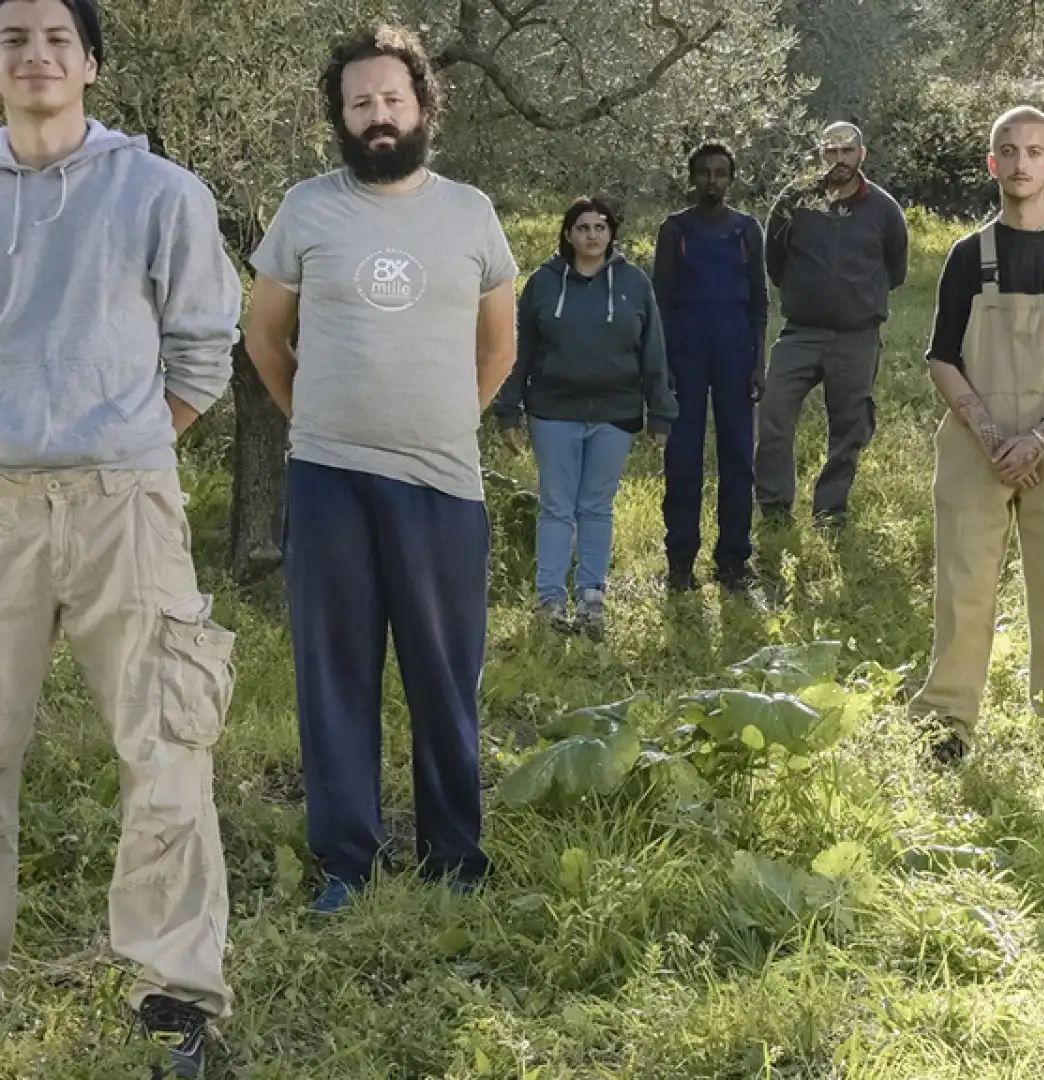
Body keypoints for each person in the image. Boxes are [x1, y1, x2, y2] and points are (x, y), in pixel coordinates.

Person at [0, 0, 242, 1071]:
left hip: (123, 506)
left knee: (165, 747)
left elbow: (203, 350)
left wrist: (126, 444)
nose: (34, 54)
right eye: (10, 37)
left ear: (91, 62)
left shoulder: (159, 193)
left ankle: (178, 996)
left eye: (56, 36)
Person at [243, 24, 520, 915]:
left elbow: (500, 347)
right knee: (336, 673)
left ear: (422, 105)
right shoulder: (306, 209)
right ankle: (346, 862)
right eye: (360, 103)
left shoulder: (471, 213)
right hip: (327, 480)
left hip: (442, 485)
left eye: (392, 99)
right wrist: (316, 421)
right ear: (341, 116)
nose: (378, 116)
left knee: (445, 677)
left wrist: (440, 424)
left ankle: (455, 855)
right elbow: (264, 336)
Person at [909, 105, 1044, 765]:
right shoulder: (968, 255)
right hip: (977, 443)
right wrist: (995, 434)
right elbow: (942, 357)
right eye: (1008, 150)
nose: (1021, 163)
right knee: (964, 585)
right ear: (992, 163)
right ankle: (948, 722)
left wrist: (1039, 439)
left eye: (1034, 152)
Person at [493, 196, 676, 636]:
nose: (592, 235)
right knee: (556, 506)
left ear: (612, 233)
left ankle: (593, 596)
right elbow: (520, 351)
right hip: (554, 411)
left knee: (596, 507)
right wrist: (507, 410)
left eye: (600, 227)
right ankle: (551, 600)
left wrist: (661, 413)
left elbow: (653, 351)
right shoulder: (544, 283)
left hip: (615, 412)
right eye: (583, 227)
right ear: (568, 234)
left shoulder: (634, 283)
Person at [755, 121, 909, 529]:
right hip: (800, 332)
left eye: (847, 151)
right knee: (773, 411)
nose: (839, 159)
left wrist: (858, 298)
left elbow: (896, 269)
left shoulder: (884, 208)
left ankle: (830, 510)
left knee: (849, 426)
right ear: (819, 154)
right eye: (831, 151)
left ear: (862, 154)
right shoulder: (795, 199)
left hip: (857, 335)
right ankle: (774, 508)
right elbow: (774, 260)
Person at [653, 142, 768, 594]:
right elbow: (660, 300)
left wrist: (759, 362)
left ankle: (734, 560)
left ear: (732, 179)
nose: (713, 181)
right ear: (692, 177)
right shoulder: (675, 229)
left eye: (721, 173)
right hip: (686, 350)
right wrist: (660, 367)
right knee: (684, 459)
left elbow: (760, 300)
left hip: (735, 349)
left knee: (738, 458)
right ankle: (680, 560)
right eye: (704, 173)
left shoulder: (746, 231)